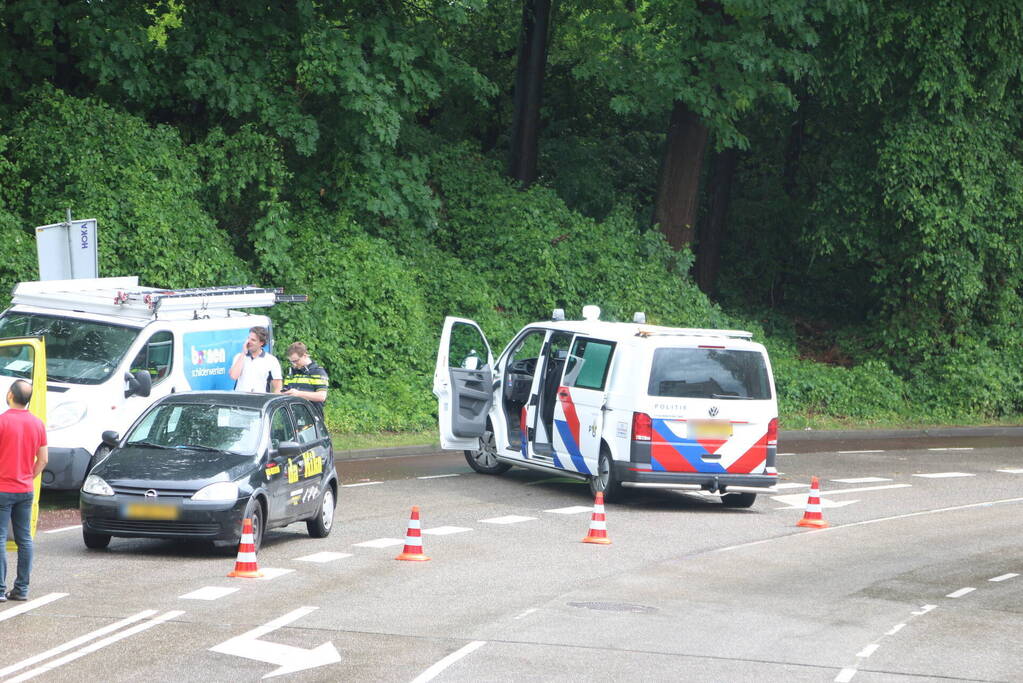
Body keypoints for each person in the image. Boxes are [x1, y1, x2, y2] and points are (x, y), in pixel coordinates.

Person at [0, 380, 48, 602]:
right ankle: (21, 589)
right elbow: (43, 460)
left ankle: (0, 589)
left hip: (2, 488)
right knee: (25, 539)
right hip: (25, 489)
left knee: (0, 538)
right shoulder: (37, 424)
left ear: (10, 395)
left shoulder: (2, 422)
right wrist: (28, 476)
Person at [229, 326, 282, 393]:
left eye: (253, 340)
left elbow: (278, 387)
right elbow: (233, 376)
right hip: (240, 397)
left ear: (261, 343)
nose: (249, 342)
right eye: (248, 338)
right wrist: (243, 353)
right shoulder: (239, 357)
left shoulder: (271, 360)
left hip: (261, 398)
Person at [282, 342, 329, 417]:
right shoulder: (292, 373)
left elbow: (322, 396)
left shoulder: (318, 371)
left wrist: (298, 394)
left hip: (312, 417)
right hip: (292, 418)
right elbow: (284, 391)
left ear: (304, 355)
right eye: (291, 361)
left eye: (296, 361)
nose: (294, 364)